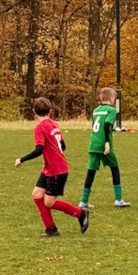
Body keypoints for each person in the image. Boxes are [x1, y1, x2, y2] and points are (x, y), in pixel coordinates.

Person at [14, 97, 88, 237]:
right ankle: (51, 229)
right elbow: (63, 146)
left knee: (49, 202)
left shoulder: (40, 128)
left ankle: (80, 213)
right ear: (50, 111)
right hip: (50, 168)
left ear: (34, 111)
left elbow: (39, 150)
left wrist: (21, 159)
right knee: (37, 195)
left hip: (56, 170)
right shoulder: (54, 124)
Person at [79, 86, 129, 209]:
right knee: (114, 169)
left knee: (91, 172)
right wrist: (107, 142)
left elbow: (100, 126)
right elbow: (106, 125)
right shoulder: (111, 111)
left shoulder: (96, 110)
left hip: (94, 143)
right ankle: (118, 199)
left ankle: (83, 201)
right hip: (104, 144)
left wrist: (116, 129)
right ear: (112, 99)